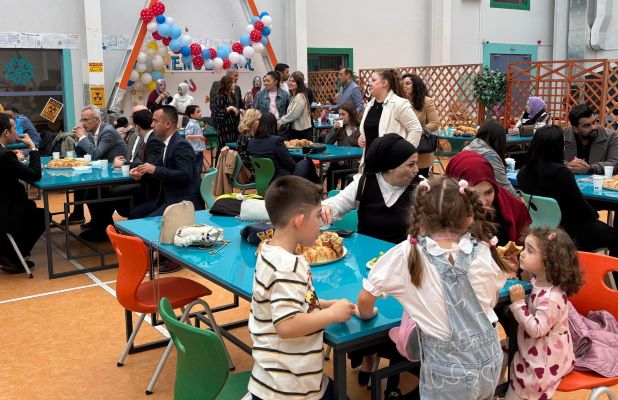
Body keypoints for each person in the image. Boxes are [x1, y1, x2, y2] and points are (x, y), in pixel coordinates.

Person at [356, 175, 508, 399]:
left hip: (447, 371)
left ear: (420, 219)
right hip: (490, 360)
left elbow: (365, 299)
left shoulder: (407, 253)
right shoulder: (485, 249)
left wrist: (367, 314)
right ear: (469, 218)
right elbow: (491, 300)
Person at [248, 175, 355, 400]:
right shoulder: (288, 266)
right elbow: (286, 326)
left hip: (272, 380)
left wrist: (323, 304)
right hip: (289, 389)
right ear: (299, 221)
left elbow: (292, 300)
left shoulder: (268, 252)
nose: (321, 223)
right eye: (318, 216)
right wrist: (332, 315)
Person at [506, 227, 583, 400]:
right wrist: (513, 267)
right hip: (532, 348)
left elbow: (537, 330)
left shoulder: (552, 299)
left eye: (530, 250)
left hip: (544, 362)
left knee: (518, 389)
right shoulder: (540, 280)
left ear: (549, 261)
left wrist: (518, 303)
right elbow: (529, 286)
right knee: (500, 351)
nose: (522, 253)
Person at [518, 125, 618, 255]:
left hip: (540, 227)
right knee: (615, 236)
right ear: (557, 147)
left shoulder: (523, 172)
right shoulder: (561, 174)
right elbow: (581, 208)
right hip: (569, 233)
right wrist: (594, 214)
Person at [322, 133, 418, 244]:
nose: (416, 169)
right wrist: (326, 208)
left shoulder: (421, 188)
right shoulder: (363, 183)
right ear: (391, 166)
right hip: (364, 253)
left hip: (401, 254)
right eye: (411, 164)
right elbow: (337, 204)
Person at [129, 105, 204, 219]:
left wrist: (154, 169)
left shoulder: (180, 145)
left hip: (182, 202)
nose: (152, 125)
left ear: (168, 124)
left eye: (155, 121)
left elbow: (185, 175)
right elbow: (157, 167)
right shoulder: (168, 143)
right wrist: (141, 172)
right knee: (134, 213)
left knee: (142, 220)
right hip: (167, 198)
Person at [446, 151, 530, 247]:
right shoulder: (441, 212)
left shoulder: (512, 208)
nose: (482, 201)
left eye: (489, 192)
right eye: (473, 194)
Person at [68, 105, 128, 226]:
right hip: (104, 172)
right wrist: (78, 139)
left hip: (118, 173)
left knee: (90, 191)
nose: (83, 123)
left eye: (85, 120)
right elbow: (82, 154)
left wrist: (82, 137)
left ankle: (103, 225)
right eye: (82, 120)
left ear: (96, 120)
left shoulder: (108, 131)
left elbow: (96, 154)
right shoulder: (92, 133)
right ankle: (95, 221)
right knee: (81, 185)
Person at [0, 114, 44, 273]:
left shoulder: (6, 155)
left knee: (30, 207)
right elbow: (35, 175)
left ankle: (7, 251)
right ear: (6, 132)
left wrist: (14, 159)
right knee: (42, 216)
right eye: (14, 128)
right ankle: (12, 257)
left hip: (5, 204)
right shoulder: (5, 156)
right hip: (6, 211)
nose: (17, 132)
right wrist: (33, 148)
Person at [358, 69, 422, 156]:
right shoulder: (369, 105)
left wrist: (405, 153)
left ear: (384, 83)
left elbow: (416, 129)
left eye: (373, 80)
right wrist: (362, 137)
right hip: (369, 160)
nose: (370, 83)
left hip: (391, 161)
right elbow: (372, 130)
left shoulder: (399, 104)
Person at [463, 119, 519, 197]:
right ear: (499, 140)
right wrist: (519, 201)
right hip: (477, 198)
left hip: (462, 195)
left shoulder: (466, 148)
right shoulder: (490, 156)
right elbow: (505, 187)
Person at [564, 103, 618, 175]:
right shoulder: (562, 136)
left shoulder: (611, 136)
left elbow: (615, 163)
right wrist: (566, 165)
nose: (593, 127)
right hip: (567, 180)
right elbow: (551, 160)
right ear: (575, 129)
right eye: (587, 125)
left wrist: (591, 169)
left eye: (594, 122)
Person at [402, 74, 439, 178]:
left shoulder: (426, 101)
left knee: (420, 182)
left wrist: (418, 131)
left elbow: (434, 123)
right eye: (402, 84)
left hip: (421, 152)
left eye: (408, 83)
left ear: (416, 85)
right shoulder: (399, 102)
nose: (404, 86)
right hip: (402, 148)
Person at [248, 112, 296, 180]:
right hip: (281, 179)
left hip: (262, 178)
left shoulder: (251, 142)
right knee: (306, 163)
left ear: (260, 124)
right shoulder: (276, 141)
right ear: (274, 125)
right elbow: (291, 165)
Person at [324, 102, 361, 190]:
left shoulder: (360, 129)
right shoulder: (340, 129)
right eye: (340, 114)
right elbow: (327, 142)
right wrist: (334, 129)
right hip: (339, 163)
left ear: (351, 114)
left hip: (354, 164)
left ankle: (343, 193)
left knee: (344, 173)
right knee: (332, 169)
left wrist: (346, 159)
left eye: (343, 114)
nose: (341, 117)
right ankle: (331, 195)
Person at [278, 71, 313, 141]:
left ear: (299, 84)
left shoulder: (299, 96)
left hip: (302, 132)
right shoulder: (294, 96)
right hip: (296, 131)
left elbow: (294, 114)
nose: (290, 83)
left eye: (293, 81)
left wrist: (280, 121)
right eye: (290, 81)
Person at [212, 75, 241, 158]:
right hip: (224, 127)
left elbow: (235, 109)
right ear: (227, 84)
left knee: (232, 149)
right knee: (223, 148)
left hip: (233, 126)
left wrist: (239, 110)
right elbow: (217, 112)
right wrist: (230, 108)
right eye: (232, 83)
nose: (234, 84)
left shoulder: (232, 96)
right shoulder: (220, 96)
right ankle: (221, 164)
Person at [237, 108, 262, 180]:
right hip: (251, 172)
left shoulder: (247, 135)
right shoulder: (247, 137)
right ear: (251, 121)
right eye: (258, 120)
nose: (261, 122)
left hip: (251, 168)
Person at [183, 105, 206, 173]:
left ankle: (198, 178)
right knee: (196, 169)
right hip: (195, 151)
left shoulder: (196, 122)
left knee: (199, 168)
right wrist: (199, 136)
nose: (200, 113)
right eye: (198, 112)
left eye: (200, 111)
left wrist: (203, 129)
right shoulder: (191, 124)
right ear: (191, 115)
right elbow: (187, 136)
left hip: (198, 150)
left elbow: (197, 131)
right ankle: (196, 179)